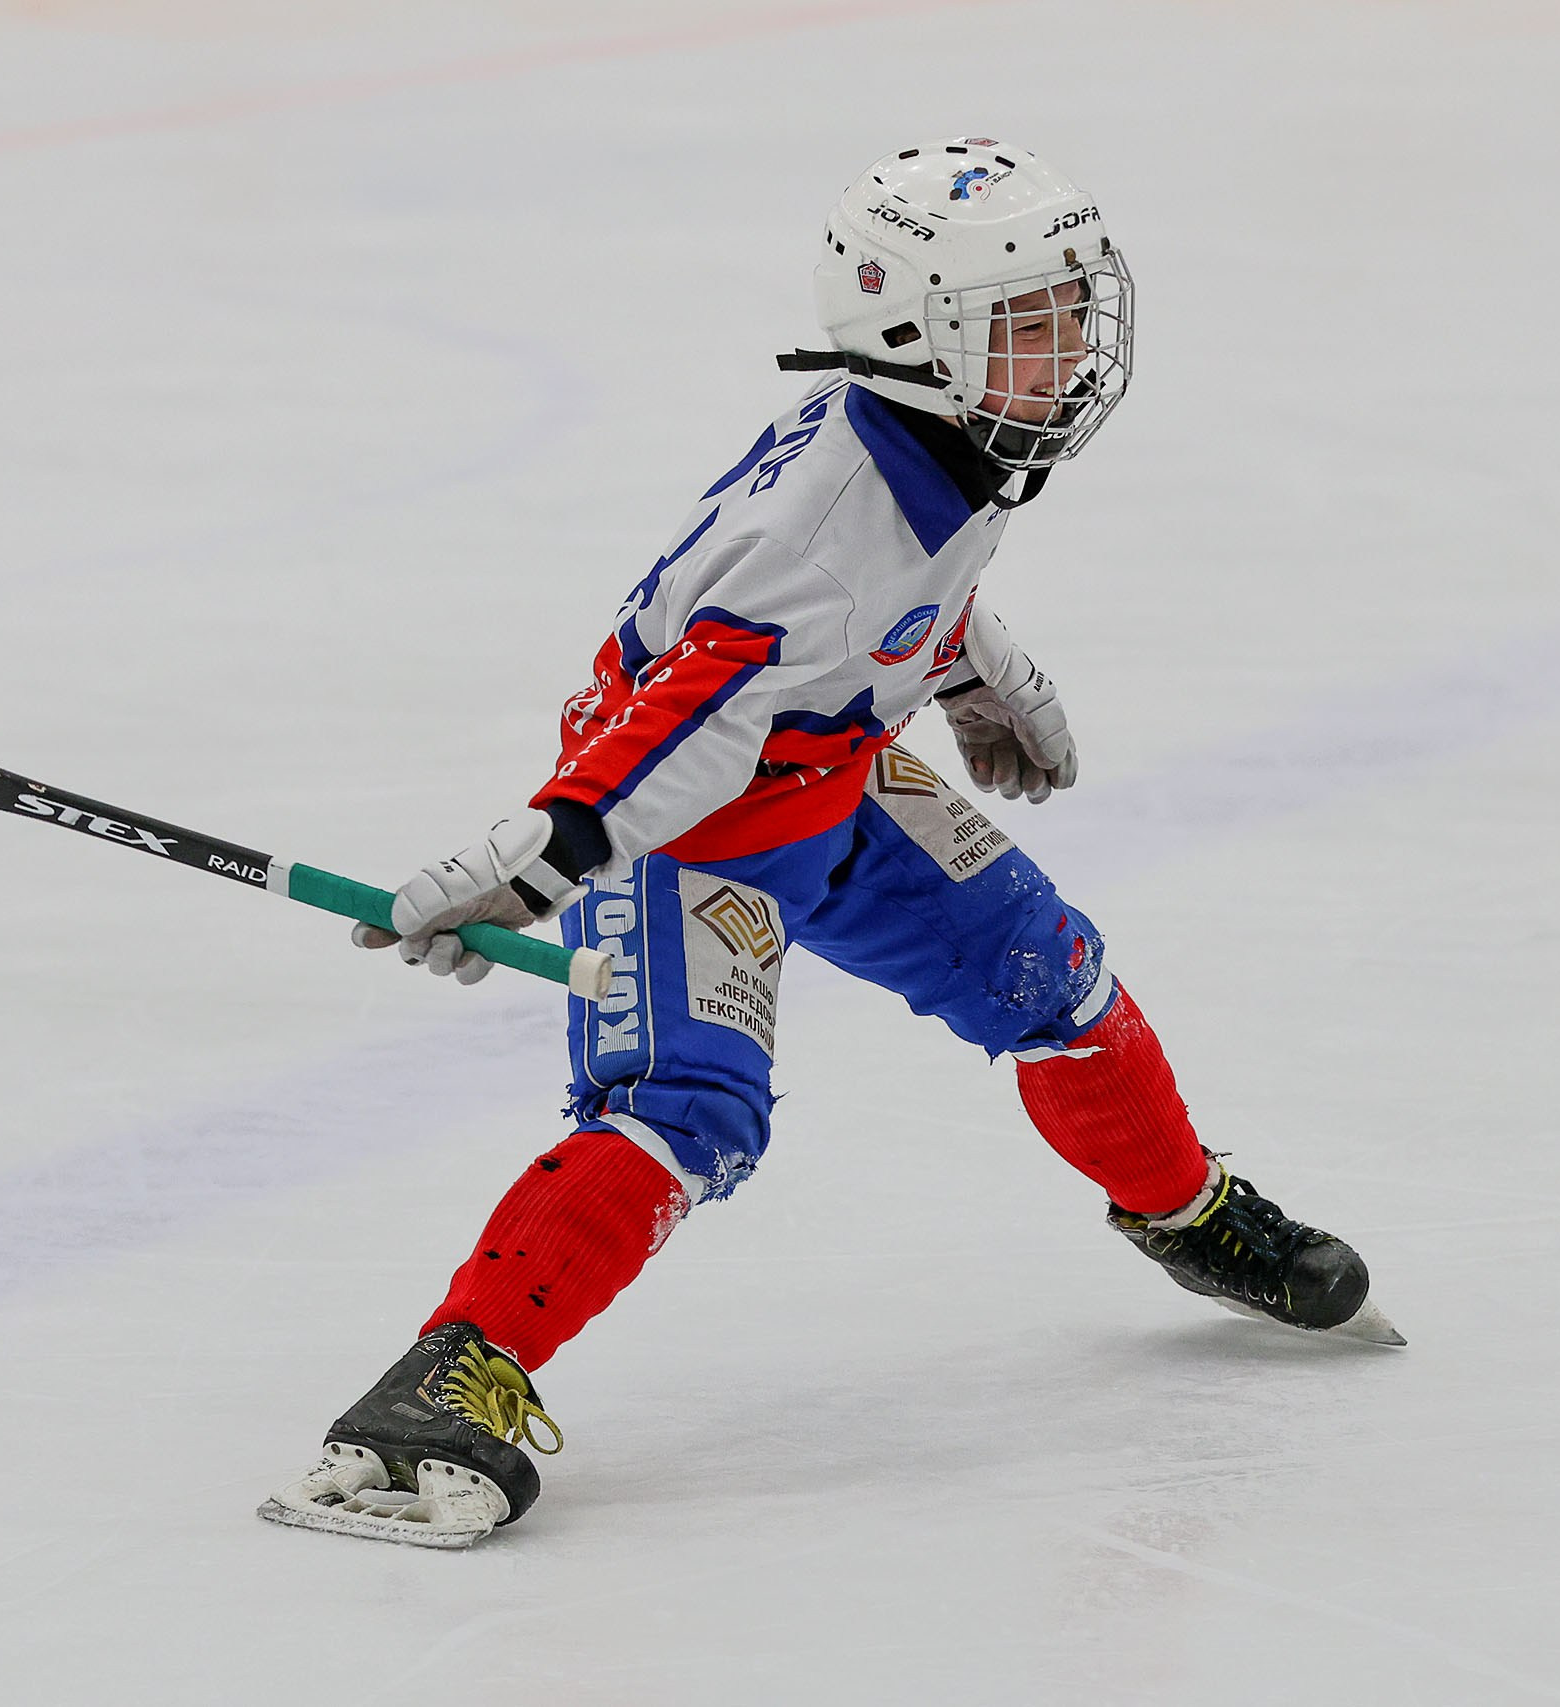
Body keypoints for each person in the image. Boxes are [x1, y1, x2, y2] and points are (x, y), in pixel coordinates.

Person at [258, 137, 1399, 1550]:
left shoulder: (946, 440)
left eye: (1065, 313)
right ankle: (442, 1381)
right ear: (924, 339)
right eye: (1029, 325)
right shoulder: (816, 539)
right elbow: (686, 719)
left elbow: (902, 598)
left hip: (834, 778)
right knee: (689, 1115)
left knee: (1056, 979)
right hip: (692, 831)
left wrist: (976, 673)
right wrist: (539, 858)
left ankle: (1185, 1212)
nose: (1070, 350)